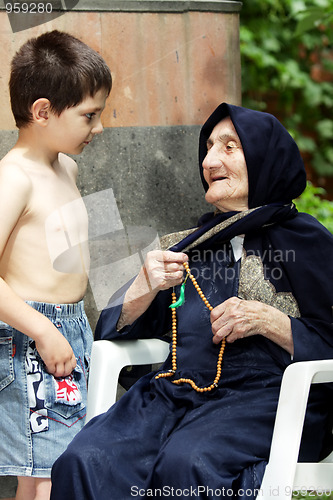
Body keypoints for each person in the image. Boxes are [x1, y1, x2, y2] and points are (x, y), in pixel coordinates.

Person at [51, 103, 333, 500]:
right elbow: (120, 334)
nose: (210, 159)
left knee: (188, 463)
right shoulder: (187, 247)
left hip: (269, 397)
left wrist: (270, 321)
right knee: (84, 458)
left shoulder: (308, 242)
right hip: (176, 392)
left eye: (229, 147)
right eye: (208, 148)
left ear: (264, 158)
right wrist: (143, 286)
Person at [0, 30, 111, 500]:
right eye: (89, 115)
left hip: (70, 328)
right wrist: (43, 331)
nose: (98, 128)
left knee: (52, 466)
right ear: (43, 111)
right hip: (31, 335)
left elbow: (81, 252)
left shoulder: (68, 168)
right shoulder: (14, 178)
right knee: (48, 472)